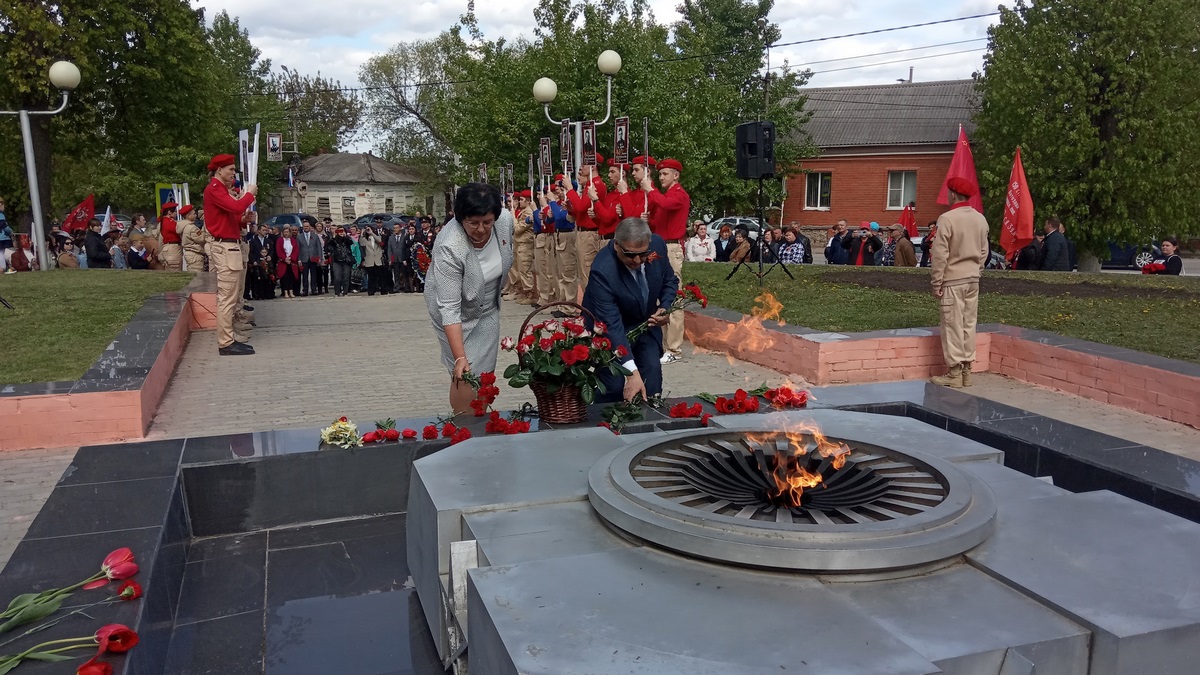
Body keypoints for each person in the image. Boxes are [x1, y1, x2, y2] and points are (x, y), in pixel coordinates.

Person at [425, 183, 514, 414]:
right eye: (473, 223)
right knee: (464, 372)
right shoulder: (449, 246)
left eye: (487, 222)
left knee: (484, 372)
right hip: (455, 314)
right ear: (459, 218)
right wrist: (459, 357)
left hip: (487, 308)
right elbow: (450, 308)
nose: (482, 229)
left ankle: (481, 417)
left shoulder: (504, 221)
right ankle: (464, 425)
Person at [583, 217, 679, 404]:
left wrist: (665, 307)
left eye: (642, 255)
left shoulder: (657, 245)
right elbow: (611, 324)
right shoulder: (602, 270)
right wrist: (631, 372)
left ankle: (647, 426)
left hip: (645, 325)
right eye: (629, 255)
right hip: (611, 331)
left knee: (651, 381)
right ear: (616, 245)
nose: (637, 260)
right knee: (614, 386)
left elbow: (670, 281)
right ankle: (603, 427)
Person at [930, 177, 989, 388]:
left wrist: (937, 282)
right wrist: (977, 270)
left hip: (953, 279)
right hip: (973, 278)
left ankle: (954, 372)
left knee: (952, 324)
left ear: (953, 194)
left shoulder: (947, 218)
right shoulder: (980, 218)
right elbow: (984, 251)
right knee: (968, 323)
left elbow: (940, 254)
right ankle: (967, 371)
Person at [203, 153, 258, 356]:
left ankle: (228, 339)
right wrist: (249, 194)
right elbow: (235, 206)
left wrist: (243, 220)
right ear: (219, 170)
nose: (234, 173)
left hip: (229, 246)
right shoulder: (215, 189)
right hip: (225, 248)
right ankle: (225, 342)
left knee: (231, 297)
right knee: (227, 298)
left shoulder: (219, 190)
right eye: (231, 169)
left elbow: (231, 217)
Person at [642, 158, 690, 365]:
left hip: (671, 247)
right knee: (658, 292)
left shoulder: (679, 194)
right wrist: (648, 220)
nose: (661, 177)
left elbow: (666, 205)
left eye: (665, 174)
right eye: (660, 174)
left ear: (676, 176)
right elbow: (660, 220)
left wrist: (650, 188)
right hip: (660, 246)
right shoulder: (667, 194)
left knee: (674, 296)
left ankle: (674, 348)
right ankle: (663, 344)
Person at [359, 224, 389, 296]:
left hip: (378, 259)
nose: (367, 230)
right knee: (371, 277)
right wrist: (362, 234)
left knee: (381, 276)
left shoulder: (376, 236)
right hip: (369, 259)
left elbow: (380, 241)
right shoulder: (364, 239)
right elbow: (361, 244)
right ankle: (371, 291)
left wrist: (372, 233)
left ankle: (383, 290)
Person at [179, 205, 210, 272]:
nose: (196, 215)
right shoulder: (192, 228)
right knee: (197, 276)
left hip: (190, 254)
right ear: (188, 216)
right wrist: (204, 230)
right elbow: (201, 239)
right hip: (194, 254)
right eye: (194, 214)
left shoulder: (184, 226)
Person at [326, 227, 355, 296]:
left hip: (346, 260)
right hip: (336, 260)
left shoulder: (347, 239)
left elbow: (351, 243)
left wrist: (345, 236)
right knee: (337, 278)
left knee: (346, 277)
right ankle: (337, 293)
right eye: (339, 231)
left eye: (342, 231)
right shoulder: (333, 240)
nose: (341, 233)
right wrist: (333, 237)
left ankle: (345, 292)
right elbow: (329, 246)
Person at [275, 225, 301, 298]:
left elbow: (296, 250)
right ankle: (285, 292)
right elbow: (279, 250)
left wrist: (291, 258)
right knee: (285, 277)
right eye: (285, 232)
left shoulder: (292, 240)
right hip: (283, 262)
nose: (286, 233)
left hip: (292, 262)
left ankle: (291, 291)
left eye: (287, 232)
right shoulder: (280, 240)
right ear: (282, 233)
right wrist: (284, 258)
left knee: (291, 277)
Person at [297, 221, 322, 296]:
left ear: (310, 227)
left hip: (313, 258)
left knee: (313, 275)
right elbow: (298, 249)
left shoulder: (315, 236)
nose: (306, 228)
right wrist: (299, 259)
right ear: (303, 227)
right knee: (305, 275)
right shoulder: (299, 237)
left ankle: (314, 289)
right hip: (304, 258)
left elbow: (319, 247)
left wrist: (320, 257)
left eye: (307, 226)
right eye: (304, 226)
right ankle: (305, 290)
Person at [158, 202, 183, 271]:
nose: (176, 213)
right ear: (169, 212)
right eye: (174, 211)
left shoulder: (164, 221)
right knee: (175, 271)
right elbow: (178, 230)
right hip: (173, 249)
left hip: (169, 248)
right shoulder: (168, 222)